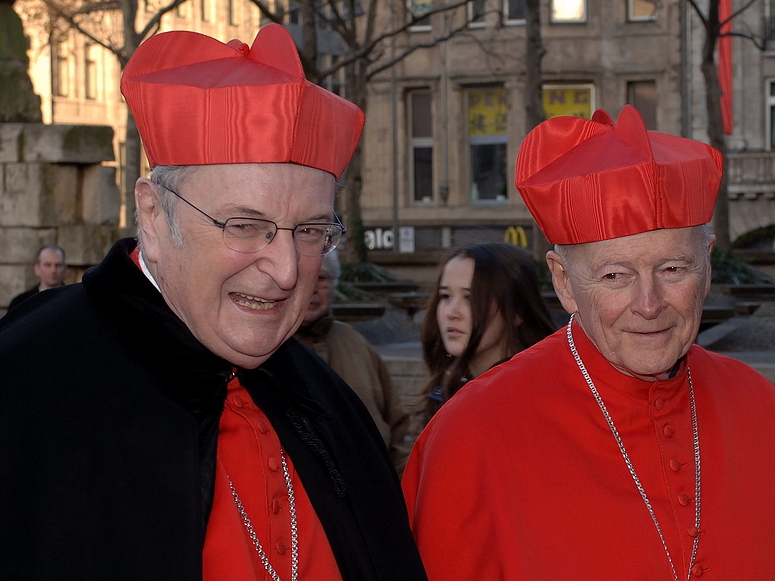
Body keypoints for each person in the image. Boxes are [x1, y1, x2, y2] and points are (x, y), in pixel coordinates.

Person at [0, 25, 428, 581]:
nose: (286, 271)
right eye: (245, 225)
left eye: (310, 230)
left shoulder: (327, 401)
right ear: (153, 215)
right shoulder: (26, 389)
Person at [402, 105, 775, 580]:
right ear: (563, 283)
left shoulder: (760, 404)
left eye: (673, 269)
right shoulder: (470, 435)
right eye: (615, 275)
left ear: (707, 267)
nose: (648, 303)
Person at [294, 250, 413, 474]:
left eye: (322, 279)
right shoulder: (266, 350)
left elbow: (398, 427)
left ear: (335, 284)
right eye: (302, 277)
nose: (312, 288)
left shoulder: (357, 344)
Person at [421, 242, 556, 419]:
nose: (451, 313)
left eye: (471, 298)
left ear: (516, 310)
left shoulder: (536, 398)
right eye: (445, 296)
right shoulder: (448, 387)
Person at [7, 244, 66, 311]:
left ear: (65, 269)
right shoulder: (20, 303)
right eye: (47, 265)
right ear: (37, 269)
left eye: (58, 265)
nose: (53, 270)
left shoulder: (74, 299)